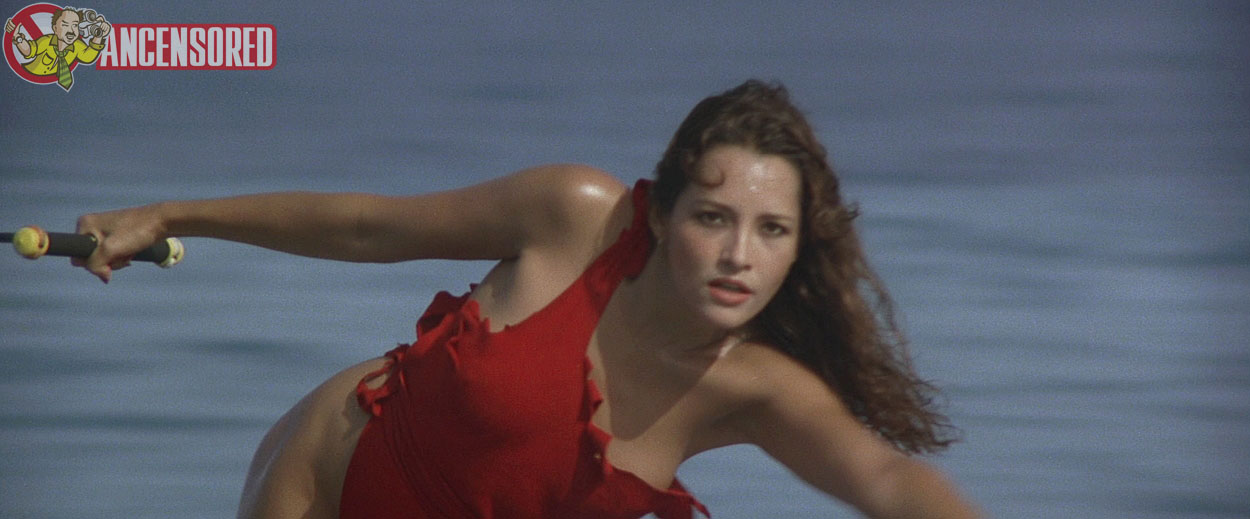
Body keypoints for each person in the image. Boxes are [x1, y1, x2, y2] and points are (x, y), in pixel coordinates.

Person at [74, 80, 982, 518]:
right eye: (713, 217)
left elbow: (885, 480)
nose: (739, 255)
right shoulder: (574, 218)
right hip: (319, 489)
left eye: (772, 230)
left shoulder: (756, 387)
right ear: (660, 211)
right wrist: (170, 215)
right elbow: (365, 227)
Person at [6, 7, 111, 91]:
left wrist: (99, 35)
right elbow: (29, 51)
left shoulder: (77, 46)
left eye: (75, 25)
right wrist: (17, 37)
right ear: (55, 29)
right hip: (27, 82)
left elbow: (88, 56)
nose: (71, 31)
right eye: (65, 25)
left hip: (52, 91)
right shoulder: (47, 41)